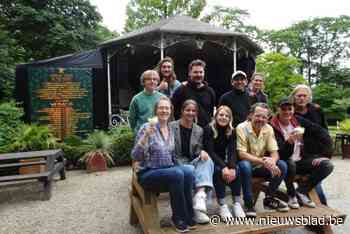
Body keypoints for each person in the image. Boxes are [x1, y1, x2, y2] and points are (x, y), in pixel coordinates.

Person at [131, 96, 196, 233]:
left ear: (171, 111)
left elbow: (173, 157)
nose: (164, 110)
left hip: (168, 171)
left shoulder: (171, 129)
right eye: (161, 108)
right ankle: (178, 217)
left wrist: (183, 167)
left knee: (189, 170)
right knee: (177, 173)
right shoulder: (146, 128)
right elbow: (136, 156)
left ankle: (189, 214)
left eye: (167, 108)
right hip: (148, 173)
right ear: (156, 110)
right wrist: (145, 137)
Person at [270, 97, 334, 208]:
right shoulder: (272, 125)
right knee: (289, 163)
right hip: (284, 162)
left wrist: (325, 155)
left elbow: (320, 131)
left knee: (327, 165)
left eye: (290, 109)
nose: (287, 112)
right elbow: (280, 153)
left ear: (293, 110)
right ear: (278, 110)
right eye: (283, 109)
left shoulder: (297, 120)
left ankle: (301, 191)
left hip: (301, 160)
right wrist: (289, 142)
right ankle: (292, 195)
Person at [237, 103, 289, 217]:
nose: (261, 119)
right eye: (258, 115)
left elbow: (274, 152)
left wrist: (273, 162)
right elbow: (241, 154)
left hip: (260, 165)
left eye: (264, 117)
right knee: (245, 166)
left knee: (283, 165)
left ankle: (269, 198)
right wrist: (264, 161)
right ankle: (249, 204)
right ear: (251, 115)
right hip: (244, 165)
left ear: (268, 118)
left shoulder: (268, 128)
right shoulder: (241, 127)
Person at [169, 99, 213, 224]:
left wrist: (202, 152)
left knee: (207, 160)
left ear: (196, 113)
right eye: (188, 110)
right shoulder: (172, 126)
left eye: (193, 111)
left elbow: (197, 150)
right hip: (175, 162)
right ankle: (195, 212)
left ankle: (200, 197)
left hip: (190, 161)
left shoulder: (199, 130)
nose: (190, 113)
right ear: (182, 111)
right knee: (190, 172)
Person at [203, 105, 246, 220]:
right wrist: (223, 167)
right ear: (216, 116)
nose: (224, 117)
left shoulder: (231, 131)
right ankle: (222, 204)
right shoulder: (209, 129)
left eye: (227, 116)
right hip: (212, 160)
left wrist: (231, 167)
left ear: (230, 119)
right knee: (217, 171)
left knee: (236, 170)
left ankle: (237, 203)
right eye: (221, 115)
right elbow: (210, 151)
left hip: (225, 159)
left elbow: (233, 151)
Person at [290, 84, 329, 205]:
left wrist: (326, 155)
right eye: (299, 95)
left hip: (315, 155)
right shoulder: (288, 111)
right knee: (315, 190)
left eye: (304, 95)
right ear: (294, 97)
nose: (301, 98)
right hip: (297, 157)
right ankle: (322, 217)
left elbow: (325, 133)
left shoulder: (316, 110)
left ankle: (320, 218)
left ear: (309, 98)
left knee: (316, 186)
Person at [172, 59, 216, 127]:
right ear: (190, 73)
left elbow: (211, 114)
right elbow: (172, 110)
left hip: (205, 132)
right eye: (195, 72)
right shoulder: (181, 90)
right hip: (185, 131)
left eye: (201, 72)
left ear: (204, 73)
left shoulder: (210, 91)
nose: (198, 75)